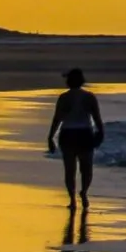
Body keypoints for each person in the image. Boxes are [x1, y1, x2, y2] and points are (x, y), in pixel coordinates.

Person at [46, 68, 106, 206]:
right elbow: (97, 117)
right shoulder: (89, 97)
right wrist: (101, 132)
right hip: (85, 133)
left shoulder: (64, 97)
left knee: (70, 169)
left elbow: (57, 119)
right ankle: (84, 192)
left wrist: (50, 136)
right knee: (86, 168)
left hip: (68, 133)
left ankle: (72, 199)